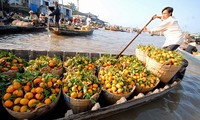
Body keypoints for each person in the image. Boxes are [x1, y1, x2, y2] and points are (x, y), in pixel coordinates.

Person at [144, 7, 188, 80]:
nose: (163, 15)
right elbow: (162, 17)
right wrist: (156, 17)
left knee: (164, 56)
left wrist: (147, 30)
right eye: (162, 13)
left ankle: (183, 64)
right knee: (163, 54)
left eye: (165, 13)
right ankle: (170, 69)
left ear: (170, 13)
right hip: (171, 41)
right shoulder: (170, 18)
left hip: (175, 40)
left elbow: (158, 28)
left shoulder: (169, 21)